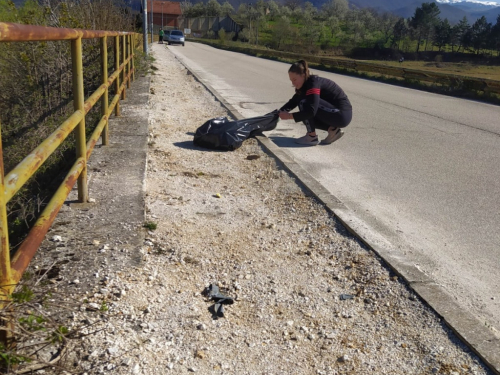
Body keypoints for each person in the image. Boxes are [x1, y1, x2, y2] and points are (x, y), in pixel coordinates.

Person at [278, 60, 352, 146]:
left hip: (342, 114)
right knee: (306, 119)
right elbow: (294, 101)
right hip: (337, 113)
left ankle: (311, 137)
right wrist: (277, 113)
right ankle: (332, 130)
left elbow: (311, 111)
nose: (293, 83)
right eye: (291, 80)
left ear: (303, 75)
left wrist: (289, 116)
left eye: (294, 80)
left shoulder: (313, 83)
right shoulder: (305, 84)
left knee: (304, 103)